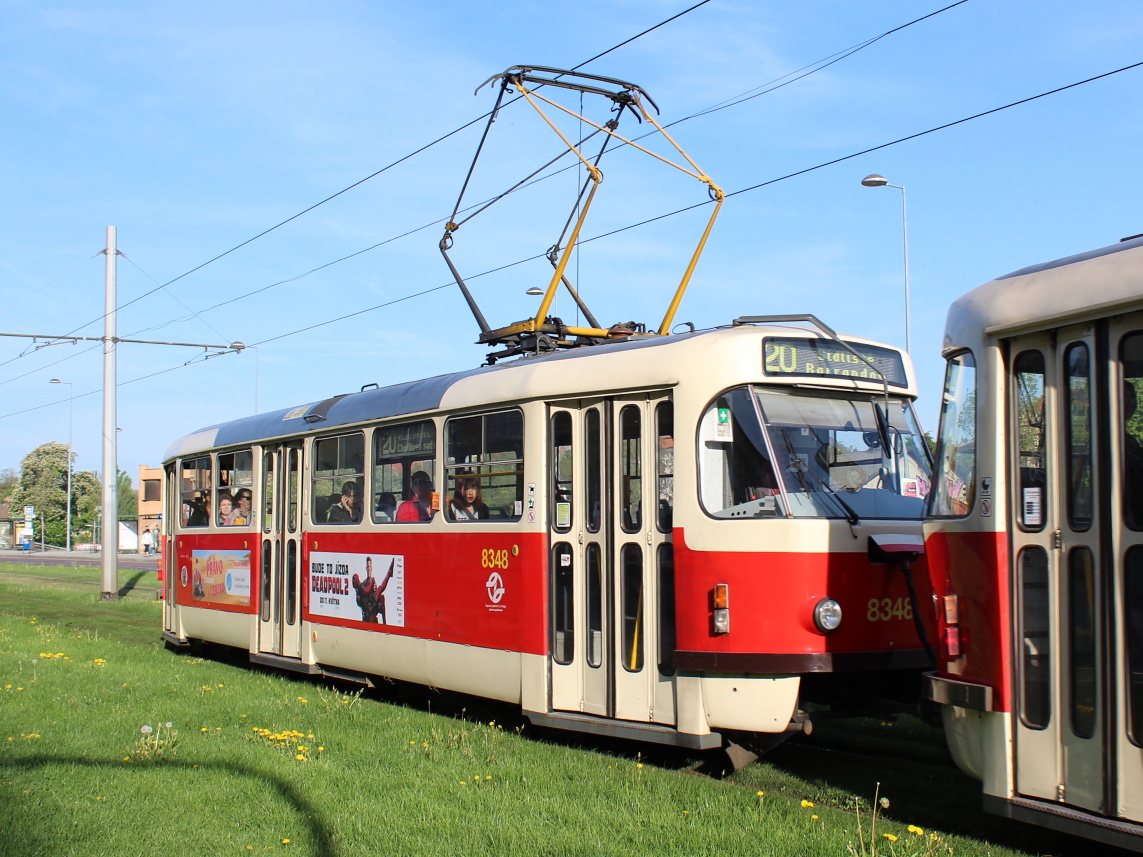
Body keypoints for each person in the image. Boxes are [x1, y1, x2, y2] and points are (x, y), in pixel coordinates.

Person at [351, 556, 396, 623]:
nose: (369, 569)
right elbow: (367, 591)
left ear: (371, 568)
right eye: (368, 567)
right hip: (368, 611)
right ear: (366, 568)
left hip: (371, 609)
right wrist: (372, 582)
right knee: (380, 589)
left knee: (381, 593)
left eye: (370, 567)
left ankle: (389, 574)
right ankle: (389, 574)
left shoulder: (360, 586)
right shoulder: (362, 585)